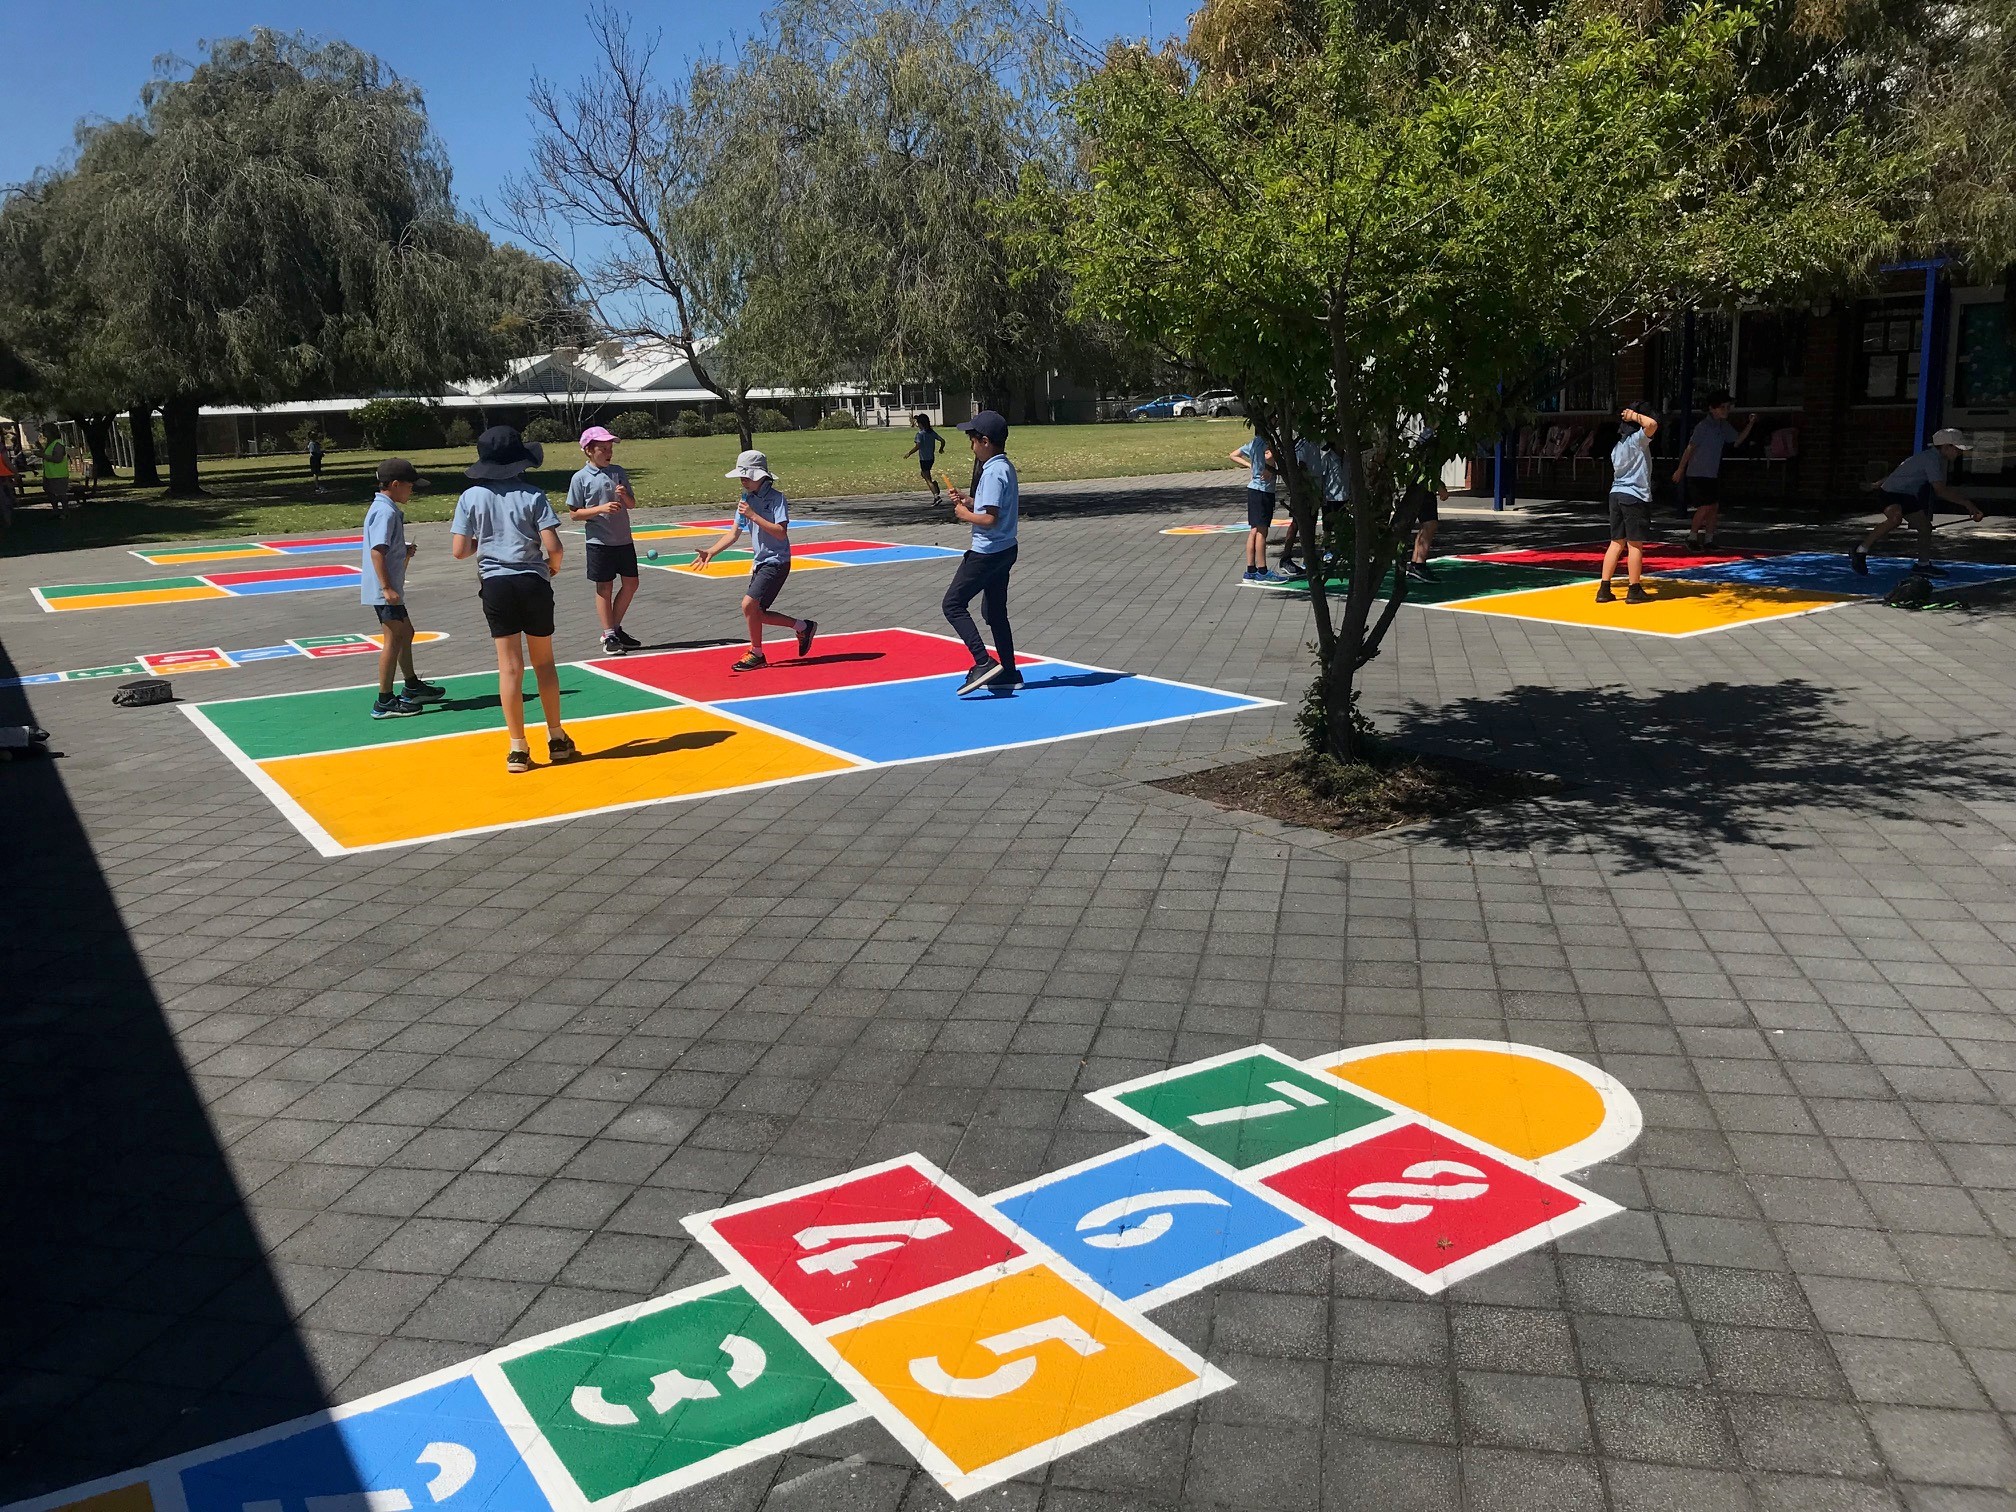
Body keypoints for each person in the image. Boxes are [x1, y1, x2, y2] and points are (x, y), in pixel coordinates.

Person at [448, 426, 579, 773]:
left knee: (509, 666)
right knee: (544, 663)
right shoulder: (533, 495)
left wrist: (487, 544)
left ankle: (518, 748)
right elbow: (554, 547)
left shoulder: (471, 497)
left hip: (495, 585)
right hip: (532, 581)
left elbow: (460, 550)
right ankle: (556, 737)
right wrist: (552, 569)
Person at [693, 450, 816, 672]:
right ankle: (803, 627)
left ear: (761, 476)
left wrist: (753, 515)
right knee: (756, 613)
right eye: (741, 476)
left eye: (746, 475)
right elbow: (733, 534)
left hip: (777, 561)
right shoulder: (745, 499)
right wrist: (711, 551)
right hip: (760, 562)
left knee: (748, 605)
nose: (742, 480)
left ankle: (757, 653)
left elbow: (781, 533)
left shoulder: (777, 499)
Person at [943, 410, 1021, 694]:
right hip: (1006, 549)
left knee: (952, 604)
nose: (971, 445)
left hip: (986, 552)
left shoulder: (991, 472)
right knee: (995, 612)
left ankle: (983, 662)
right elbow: (992, 507)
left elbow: (989, 519)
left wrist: (964, 513)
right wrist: (970, 500)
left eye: (973, 439)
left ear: (985, 441)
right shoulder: (1005, 467)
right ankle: (1009, 671)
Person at [360, 458, 446, 719]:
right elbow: (377, 551)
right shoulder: (384, 512)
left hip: (388, 588)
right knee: (394, 639)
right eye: (410, 486)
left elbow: (386, 547)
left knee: (405, 632)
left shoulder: (386, 508)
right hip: (385, 591)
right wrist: (386, 587)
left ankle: (410, 685)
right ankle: (384, 700)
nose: (412, 490)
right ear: (395, 485)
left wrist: (403, 550)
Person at [1852, 429, 1983, 575]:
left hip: (1907, 495)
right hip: (1890, 493)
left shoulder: (1933, 458)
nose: (1960, 453)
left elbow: (1902, 470)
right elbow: (1940, 490)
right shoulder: (1931, 460)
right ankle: (1860, 550)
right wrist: (1968, 504)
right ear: (1946, 447)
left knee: (1925, 528)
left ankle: (1923, 565)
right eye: (1958, 449)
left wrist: (1875, 484)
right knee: (1895, 519)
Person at [567, 425, 643, 656]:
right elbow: (574, 513)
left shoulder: (618, 471)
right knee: (605, 588)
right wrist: (600, 509)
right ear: (589, 450)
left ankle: (615, 628)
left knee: (631, 583)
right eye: (603, 448)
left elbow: (631, 504)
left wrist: (624, 495)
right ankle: (608, 633)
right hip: (599, 542)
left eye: (610, 448)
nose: (609, 452)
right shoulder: (580, 478)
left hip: (623, 539)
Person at [1673, 392, 1756, 545]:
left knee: (1714, 507)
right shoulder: (1703, 426)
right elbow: (1690, 448)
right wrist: (1680, 469)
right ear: (1712, 408)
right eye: (1721, 407)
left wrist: (1750, 424)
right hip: (1698, 473)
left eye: (1727, 407)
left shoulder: (1723, 426)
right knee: (1705, 506)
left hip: (1712, 473)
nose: (1725, 410)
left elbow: (1736, 441)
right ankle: (1692, 537)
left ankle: (1709, 539)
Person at [1597, 405, 1660, 604]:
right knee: (1635, 544)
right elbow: (1652, 424)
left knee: (1616, 542)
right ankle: (1634, 589)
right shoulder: (1637, 441)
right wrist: (1635, 415)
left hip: (1615, 494)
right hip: (1634, 496)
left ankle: (1604, 589)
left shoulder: (1617, 447)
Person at [1230, 428, 1277, 582]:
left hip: (1253, 489)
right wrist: (1270, 465)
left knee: (1254, 530)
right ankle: (1262, 570)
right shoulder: (1267, 444)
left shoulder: (1254, 442)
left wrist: (1250, 465)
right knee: (1262, 531)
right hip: (1263, 490)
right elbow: (1269, 456)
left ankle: (1250, 569)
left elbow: (1234, 454)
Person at [904, 413, 949, 500]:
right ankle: (934, 485)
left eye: (918, 424)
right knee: (924, 474)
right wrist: (941, 449)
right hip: (931, 458)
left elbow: (918, 446)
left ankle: (936, 496)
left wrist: (909, 453)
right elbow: (942, 440)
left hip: (924, 459)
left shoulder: (920, 434)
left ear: (921, 424)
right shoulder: (931, 432)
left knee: (927, 478)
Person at [40, 430, 70, 512]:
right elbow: (48, 454)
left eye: (44, 430)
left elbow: (58, 459)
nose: (43, 433)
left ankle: (65, 512)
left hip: (59, 474)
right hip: (49, 474)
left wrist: (42, 455)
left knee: (61, 494)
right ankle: (55, 510)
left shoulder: (58, 444)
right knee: (50, 493)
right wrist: (40, 447)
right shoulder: (49, 443)